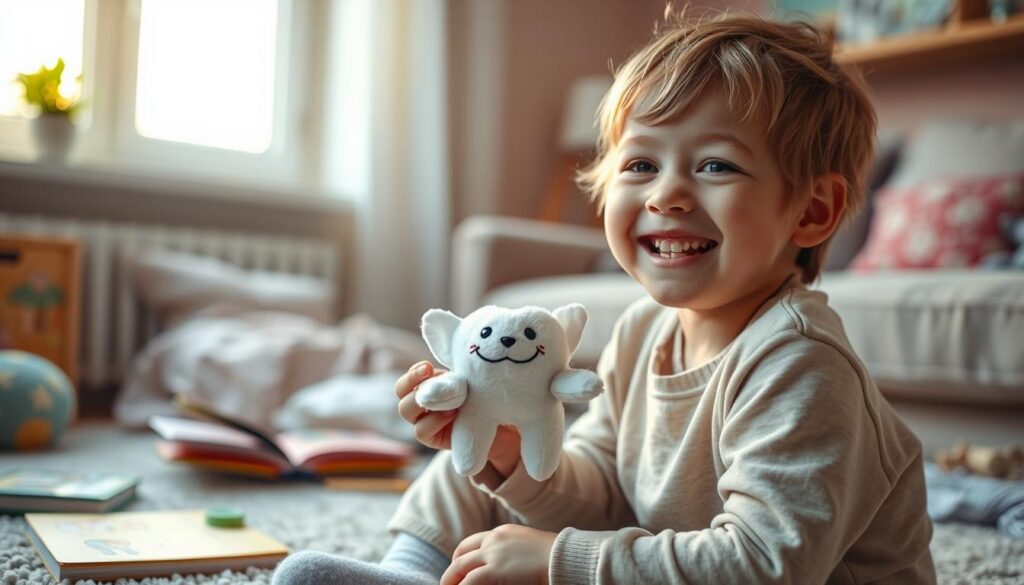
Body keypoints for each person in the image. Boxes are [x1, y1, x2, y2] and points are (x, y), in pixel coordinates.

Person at [272, 9, 936, 585]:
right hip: (677, 555)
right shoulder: (644, 329)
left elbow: (765, 564)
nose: (665, 195)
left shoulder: (801, 363)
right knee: (471, 463)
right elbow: (602, 486)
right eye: (641, 164)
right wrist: (510, 458)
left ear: (813, 211)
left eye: (715, 165)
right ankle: (412, 570)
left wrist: (561, 560)